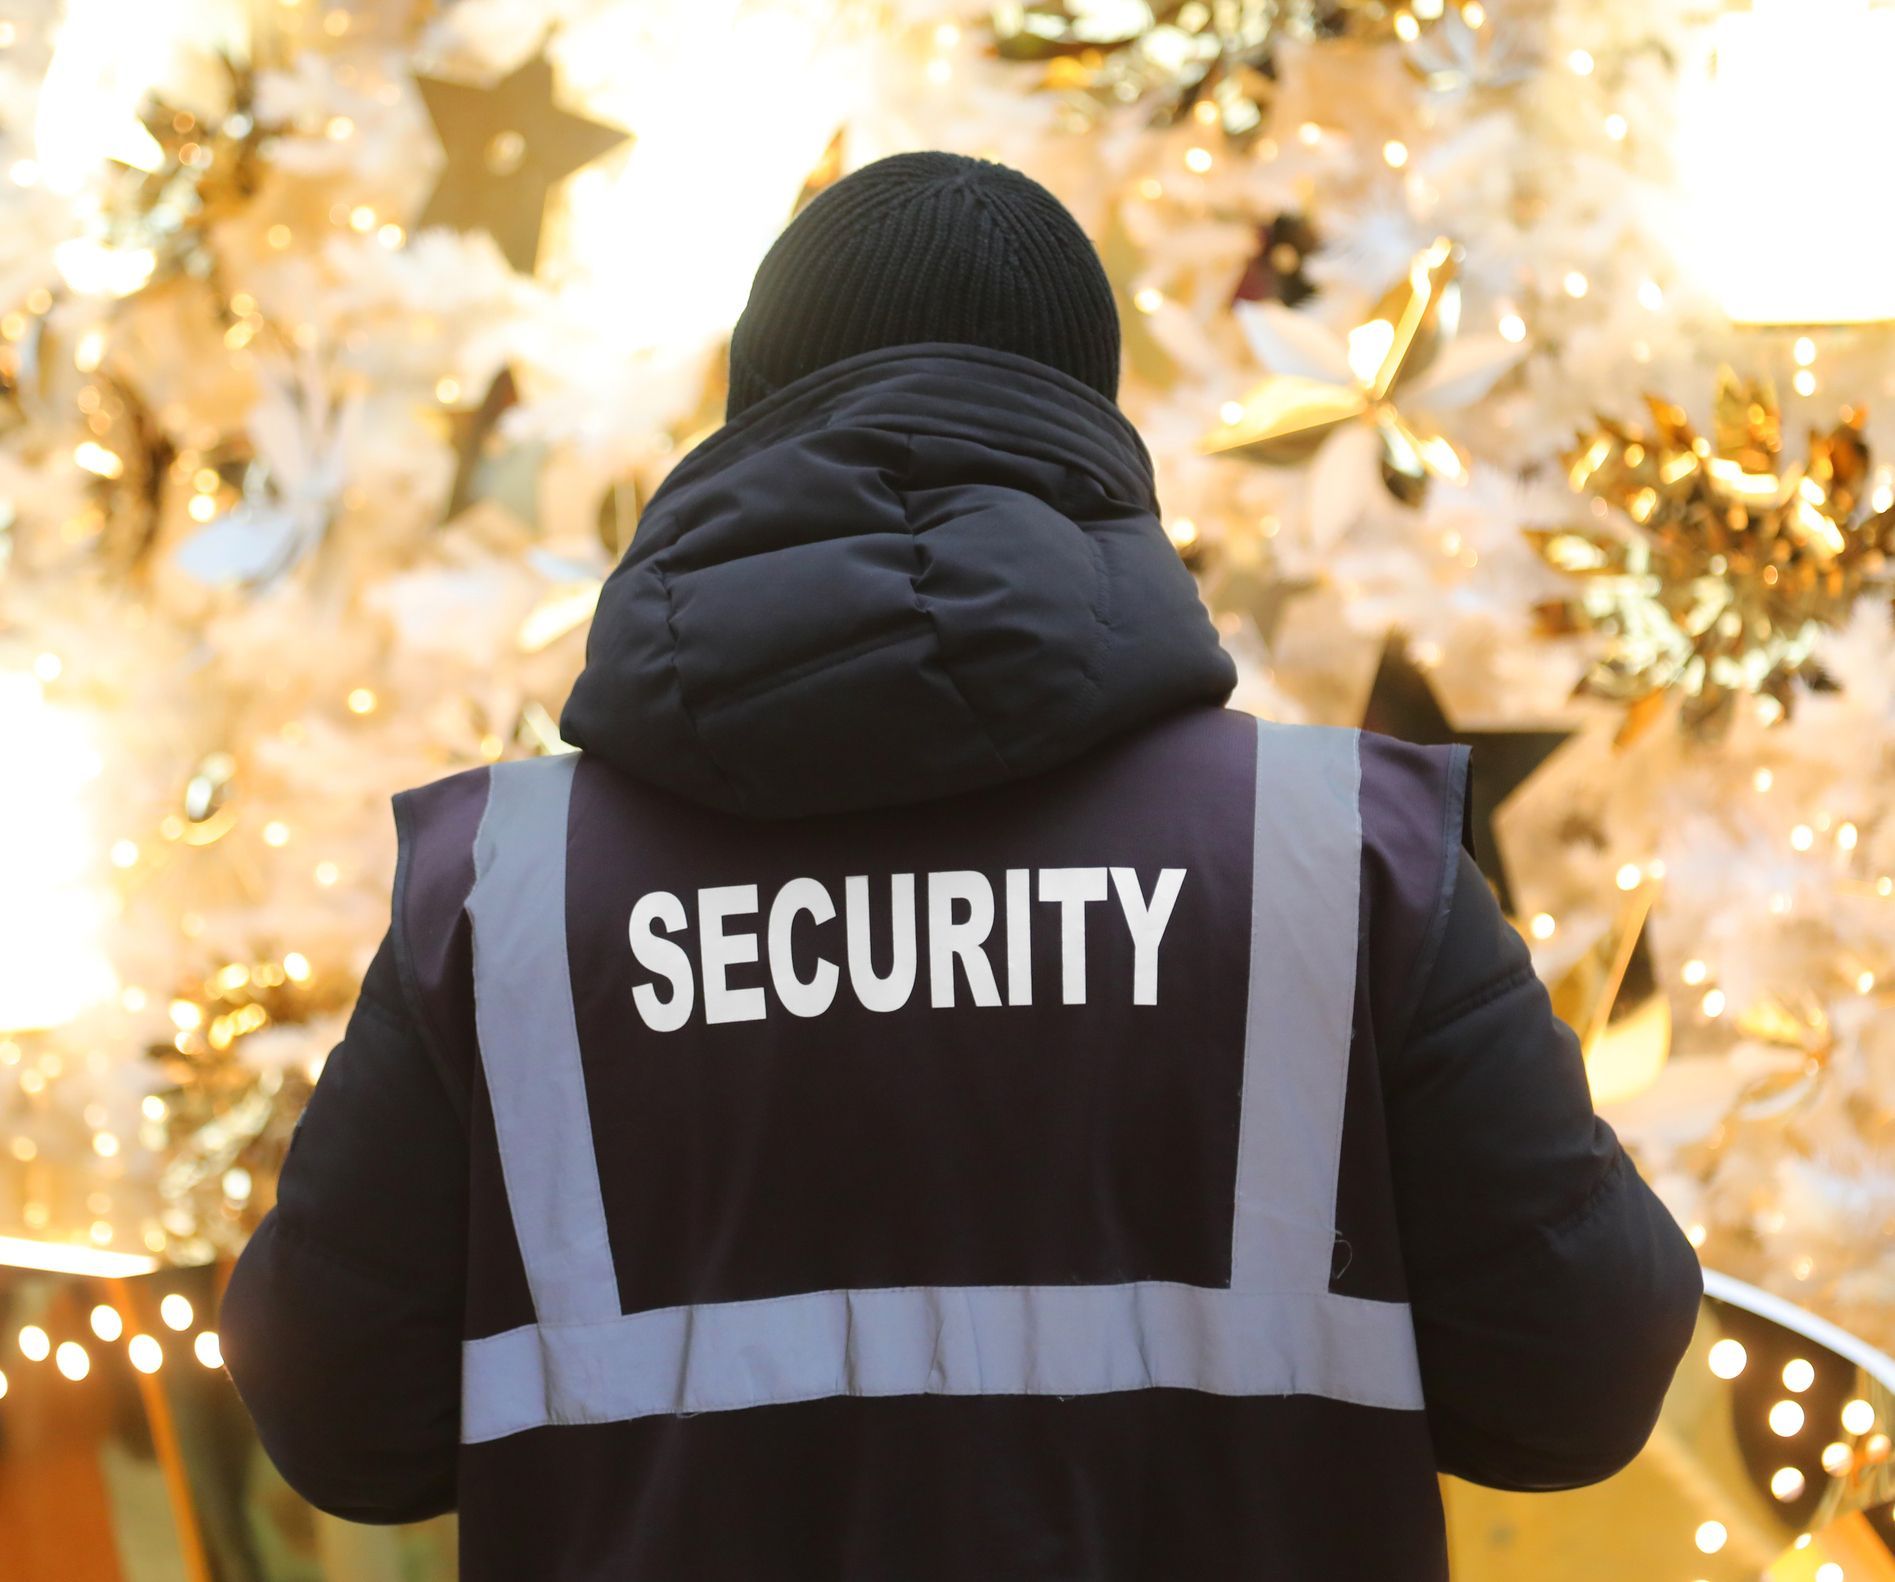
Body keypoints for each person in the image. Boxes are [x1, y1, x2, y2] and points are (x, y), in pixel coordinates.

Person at [221, 151, 1702, 1580]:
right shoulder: (1340, 858)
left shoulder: (509, 895)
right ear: (1097, 436)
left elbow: (344, 1421)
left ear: (748, 412)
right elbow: (1573, 1379)